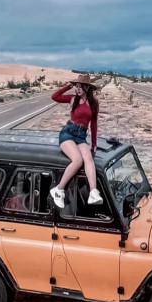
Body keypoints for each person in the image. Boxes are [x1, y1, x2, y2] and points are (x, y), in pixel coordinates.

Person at [49, 74, 102, 208]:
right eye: (76, 86)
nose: (77, 89)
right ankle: (59, 189)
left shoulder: (94, 102)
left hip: (81, 136)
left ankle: (93, 192)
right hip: (68, 133)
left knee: (88, 159)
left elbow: (94, 125)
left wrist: (94, 144)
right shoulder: (73, 99)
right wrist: (68, 86)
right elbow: (55, 97)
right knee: (77, 160)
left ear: (87, 87)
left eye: (80, 86)